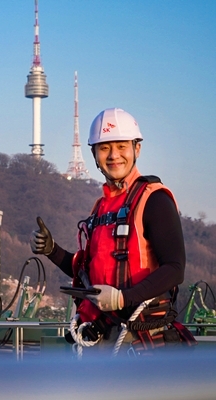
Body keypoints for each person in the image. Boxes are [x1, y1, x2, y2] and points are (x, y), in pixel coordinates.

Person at [30, 107, 195, 355]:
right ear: (94, 155)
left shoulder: (154, 200)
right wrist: (52, 251)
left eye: (121, 146)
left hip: (142, 338)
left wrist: (123, 298)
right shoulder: (101, 208)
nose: (114, 155)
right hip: (104, 336)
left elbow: (174, 268)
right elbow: (89, 274)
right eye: (105, 148)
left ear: (137, 149)